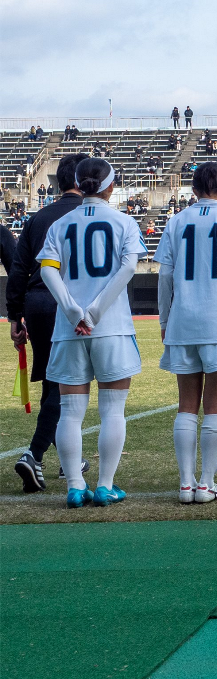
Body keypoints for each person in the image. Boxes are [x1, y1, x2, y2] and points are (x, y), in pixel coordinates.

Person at [37, 158, 148, 507]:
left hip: (69, 329)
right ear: (110, 186)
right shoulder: (124, 222)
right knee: (113, 410)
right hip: (111, 327)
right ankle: (104, 486)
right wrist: (96, 311)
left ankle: (74, 486)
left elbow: (47, 271)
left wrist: (73, 310)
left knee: (70, 411)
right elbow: (129, 267)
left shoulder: (60, 224)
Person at [154, 162, 217, 504]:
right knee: (215, 405)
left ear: (193, 189)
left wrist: (165, 319)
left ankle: (185, 483)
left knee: (186, 405)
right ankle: (206, 482)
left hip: (183, 319)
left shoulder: (176, 221)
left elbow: (165, 277)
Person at [7, 153, 88, 493]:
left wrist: (14, 315)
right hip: (70, 303)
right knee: (63, 386)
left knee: (52, 383)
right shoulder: (88, 215)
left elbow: (18, 269)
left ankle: (71, 460)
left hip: (37, 304)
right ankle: (34, 454)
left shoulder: (38, 218)